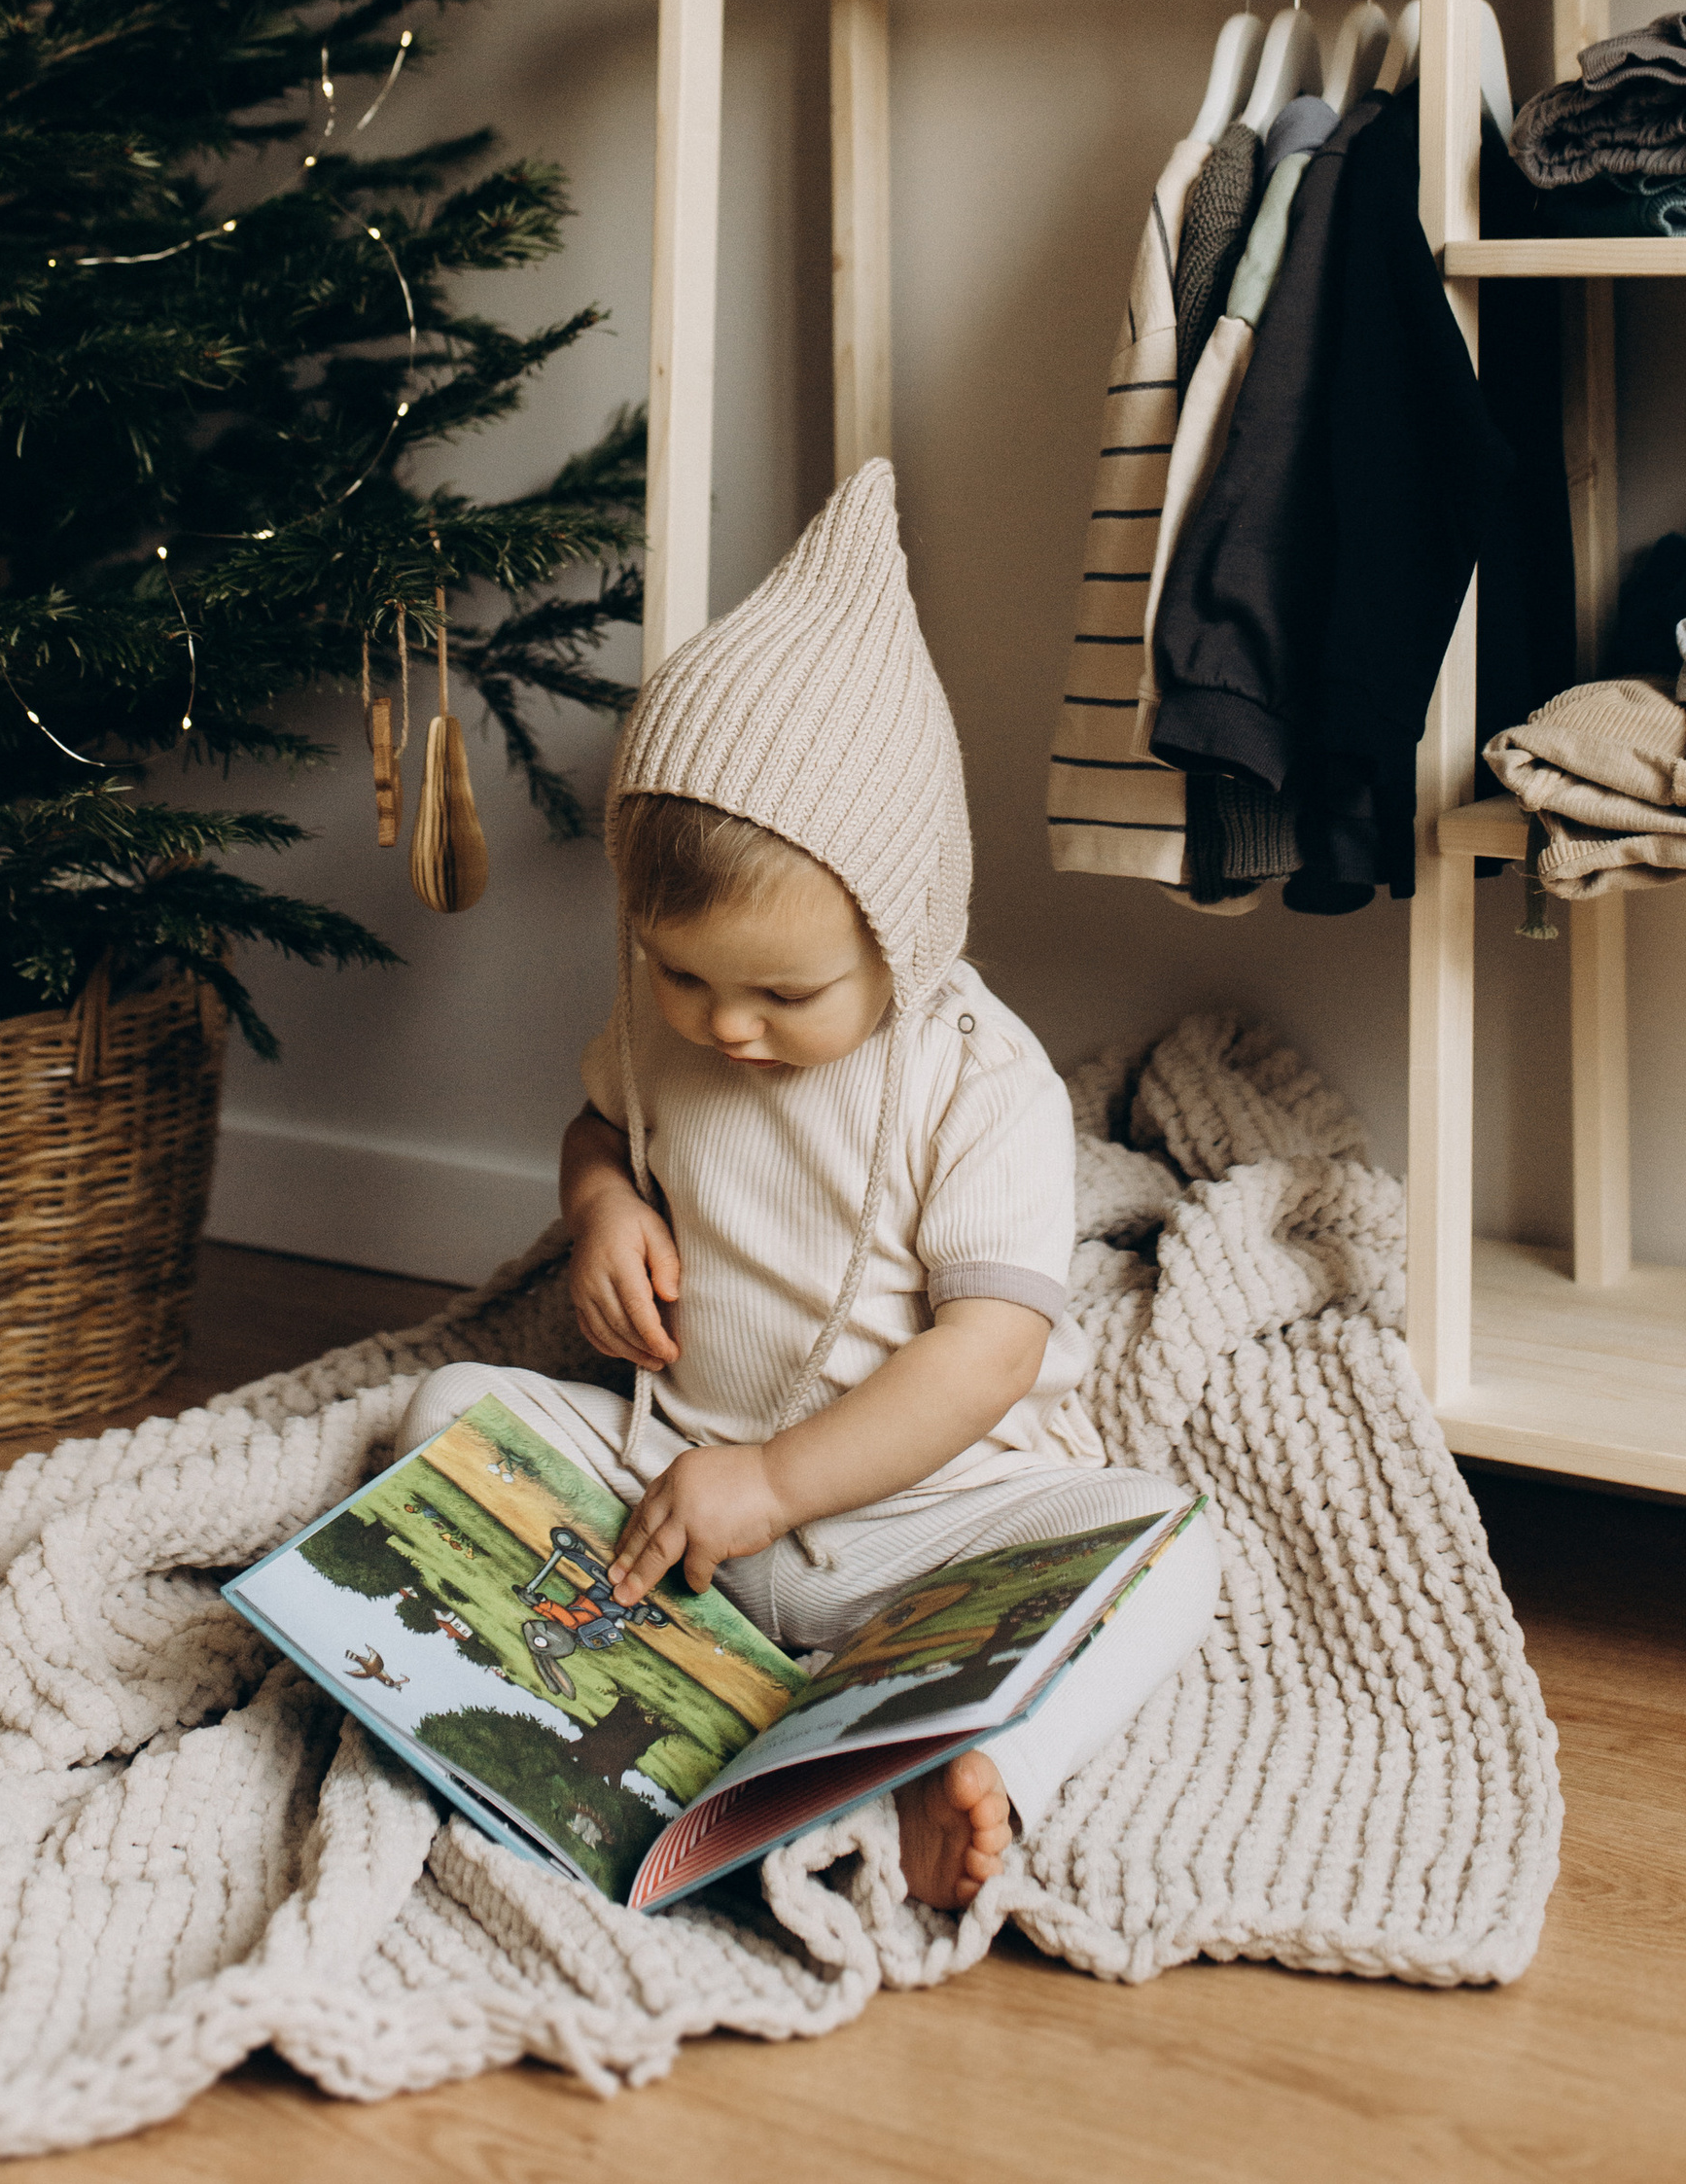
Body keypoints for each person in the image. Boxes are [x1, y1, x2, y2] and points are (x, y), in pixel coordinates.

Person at [395, 459, 1219, 1908]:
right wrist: (600, 1200)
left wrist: (778, 1483)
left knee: (1169, 1546)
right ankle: (651, 1704)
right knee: (448, 1413)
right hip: (676, 1497)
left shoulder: (979, 1081)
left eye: (785, 989)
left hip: (917, 1524)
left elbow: (988, 1352)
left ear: (900, 931)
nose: (723, 1025)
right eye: (679, 970)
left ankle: (978, 1759)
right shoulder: (667, 1027)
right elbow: (605, 1123)